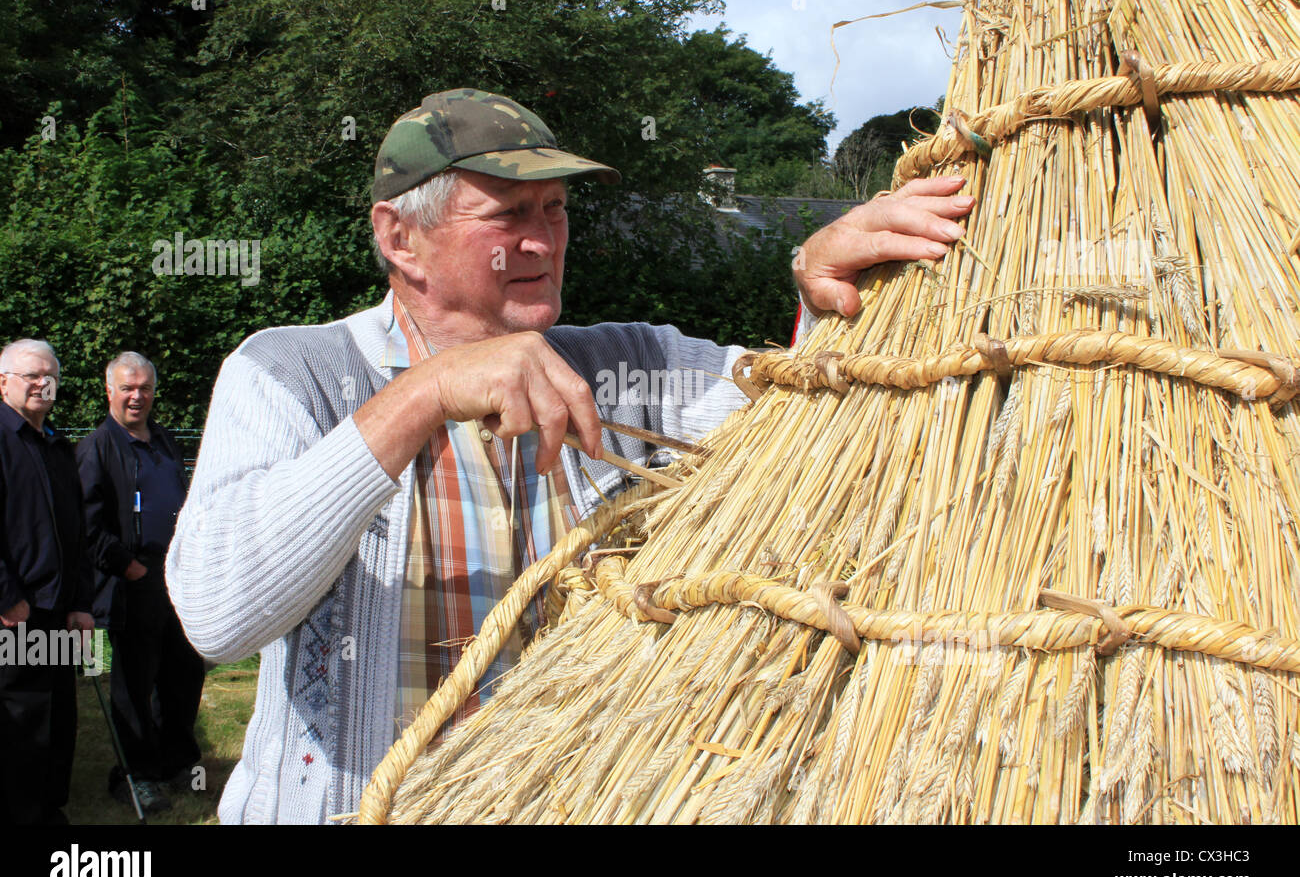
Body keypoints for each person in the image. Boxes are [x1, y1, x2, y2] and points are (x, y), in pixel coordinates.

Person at [167, 88, 974, 824]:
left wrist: (820, 285)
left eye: (554, 210)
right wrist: (425, 394)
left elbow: (805, 404)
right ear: (400, 238)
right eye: (507, 213)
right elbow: (220, 617)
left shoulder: (628, 366)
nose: (542, 239)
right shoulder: (289, 373)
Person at [77, 351, 205, 815]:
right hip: (132, 581)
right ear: (109, 390)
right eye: (128, 387)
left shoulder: (166, 442)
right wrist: (127, 565)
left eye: (145, 387)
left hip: (177, 576)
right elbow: (86, 524)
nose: (137, 396)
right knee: (135, 681)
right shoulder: (96, 447)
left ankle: (179, 762)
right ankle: (136, 775)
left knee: (183, 672)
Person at [0, 339, 95, 825]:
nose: (42, 383)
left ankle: (50, 808)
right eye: (30, 375)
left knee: (59, 714)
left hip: (59, 610)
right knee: (22, 717)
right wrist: (8, 598)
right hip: (16, 613)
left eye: (49, 375)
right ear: (3, 384)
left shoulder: (57, 446)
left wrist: (81, 602)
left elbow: (75, 532)